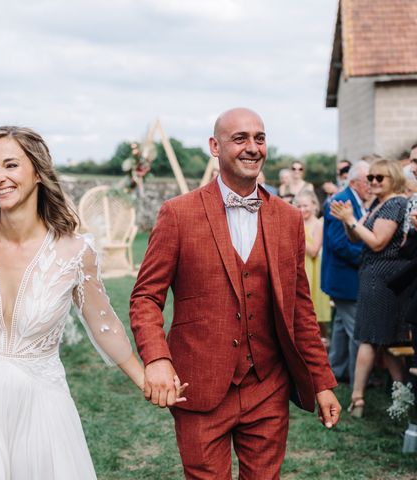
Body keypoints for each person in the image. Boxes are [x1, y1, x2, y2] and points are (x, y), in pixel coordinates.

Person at [0, 126, 176, 479]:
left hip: (41, 403)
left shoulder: (74, 252)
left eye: (10, 165)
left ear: (38, 172)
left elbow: (103, 325)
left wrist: (144, 377)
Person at [130, 108, 339, 479]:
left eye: (259, 138)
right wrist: (157, 359)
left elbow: (300, 310)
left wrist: (321, 382)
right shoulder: (178, 214)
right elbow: (146, 296)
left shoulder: (289, 218)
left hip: (268, 387)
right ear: (215, 146)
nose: (252, 147)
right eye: (240, 138)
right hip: (200, 383)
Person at [331, 159, 409, 417]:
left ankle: (358, 399)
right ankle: (402, 397)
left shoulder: (396, 203)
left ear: (393, 179)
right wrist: (346, 220)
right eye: (371, 177)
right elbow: (356, 235)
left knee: (370, 337)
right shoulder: (378, 203)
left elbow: (376, 243)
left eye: (379, 178)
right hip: (372, 276)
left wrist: (351, 219)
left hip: (384, 278)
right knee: (385, 340)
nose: (373, 182)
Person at [321, 161, 371, 384]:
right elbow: (340, 243)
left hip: (344, 278)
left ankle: (335, 371)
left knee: (341, 328)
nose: (371, 184)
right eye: (368, 180)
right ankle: (357, 379)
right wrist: (368, 259)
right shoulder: (342, 201)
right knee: (357, 334)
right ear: (353, 182)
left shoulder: (356, 199)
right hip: (345, 279)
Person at [295, 190, 331, 343]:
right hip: (297, 267)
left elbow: (314, 251)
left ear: (314, 205)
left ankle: (322, 342)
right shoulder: (294, 222)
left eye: (306, 205)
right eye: (299, 206)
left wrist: (298, 232)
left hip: (313, 270)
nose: (302, 209)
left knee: (315, 313)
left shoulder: (318, 224)